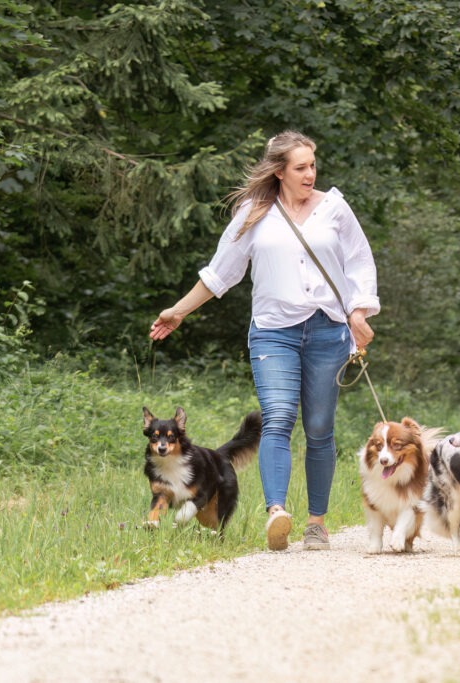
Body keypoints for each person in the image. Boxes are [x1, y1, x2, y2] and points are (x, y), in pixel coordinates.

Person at [149, 130, 379, 551]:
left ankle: (316, 523)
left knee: (319, 427)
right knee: (277, 417)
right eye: (301, 167)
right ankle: (277, 512)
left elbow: (361, 263)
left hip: (328, 329)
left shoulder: (335, 209)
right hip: (274, 330)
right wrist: (179, 310)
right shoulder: (254, 214)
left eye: (313, 165)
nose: (310, 173)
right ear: (279, 171)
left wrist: (359, 311)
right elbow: (221, 272)